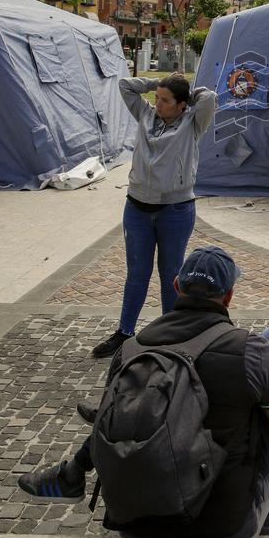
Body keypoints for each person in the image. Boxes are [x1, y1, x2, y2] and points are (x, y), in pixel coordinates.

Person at [18, 246, 269, 538]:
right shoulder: (253, 351)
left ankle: (70, 474)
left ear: (176, 286)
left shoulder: (130, 350)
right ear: (229, 296)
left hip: (136, 537)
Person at [92, 74, 216, 359]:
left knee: (171, 274)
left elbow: (209, 98)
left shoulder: (192, 123)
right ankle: (124, 332)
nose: (157, 104)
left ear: (182, 105)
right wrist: (156, 85)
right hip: (137, 207)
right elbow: (125, 85)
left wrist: (185, 91)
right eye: (156, 98)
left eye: (165, 100)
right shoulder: (146, 114)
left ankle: (169, 335)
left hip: (176, 209)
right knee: (137, 273)